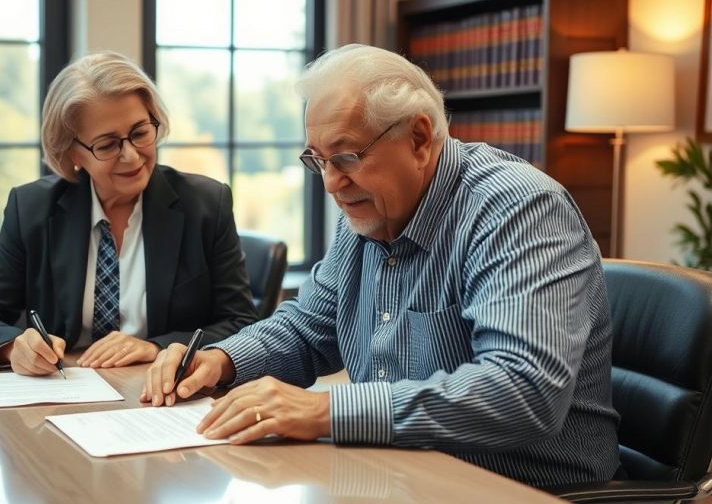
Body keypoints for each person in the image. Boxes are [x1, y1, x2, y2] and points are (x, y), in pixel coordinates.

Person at [142, 44, 620, 487]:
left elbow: (523, 390)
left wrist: (325, 410)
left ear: (418, 138)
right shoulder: (369, 212)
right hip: (400, 473)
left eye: (347, 157)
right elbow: (308, 329)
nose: (331, 184)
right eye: (318, 160)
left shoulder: (517, 210)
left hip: (524, 488)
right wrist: (223, 361)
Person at [0, 51, 257, 375]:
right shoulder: (32, 210)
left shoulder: (206, 204)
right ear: (72, 153)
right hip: (66, 394)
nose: (131, 156)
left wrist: (157, 347)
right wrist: (15, 347)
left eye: (140, 133)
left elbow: (241, 323)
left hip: (163, 396)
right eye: (108, 145)